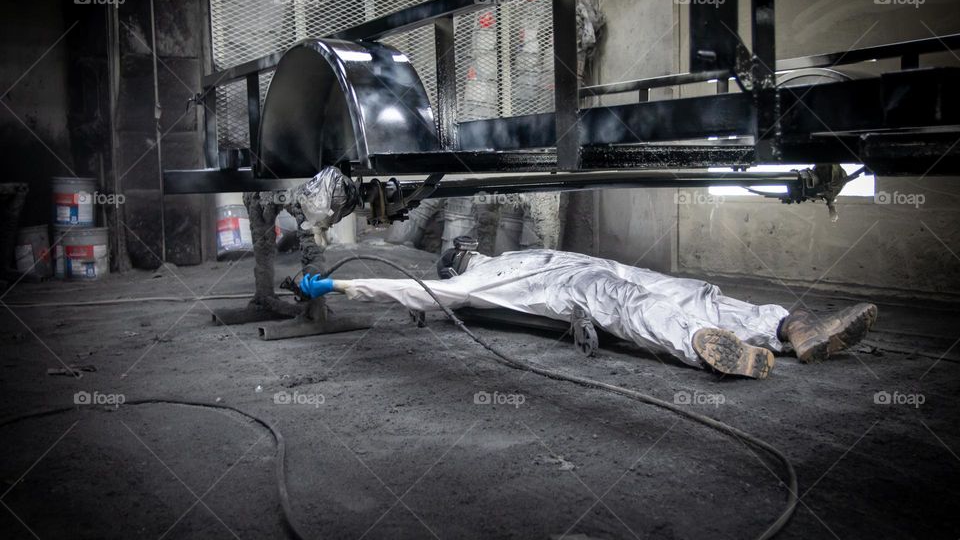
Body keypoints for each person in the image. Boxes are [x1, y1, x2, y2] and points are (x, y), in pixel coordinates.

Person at [297, 242, 877, 379]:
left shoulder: (511, 251)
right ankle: (707, 343)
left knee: (692, 287)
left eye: (467, 248)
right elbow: (412, 291)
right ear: (457, 266)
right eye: (461, 255)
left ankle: (792, 329)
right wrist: (337, 286)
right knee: (629, 306)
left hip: (602, 265)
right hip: (575, 289)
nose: (470, 252)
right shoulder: (474, 283)